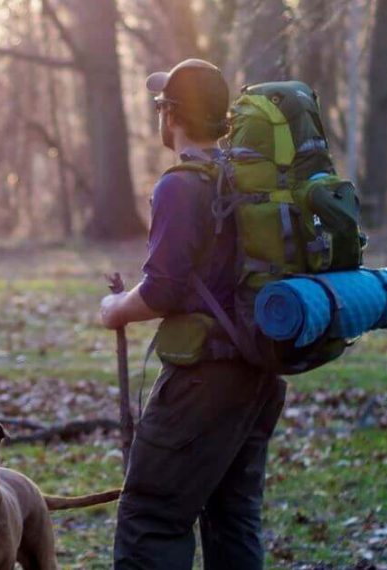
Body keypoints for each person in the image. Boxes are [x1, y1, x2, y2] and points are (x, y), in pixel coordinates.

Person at [98, 59, 287, 569]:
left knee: (151, 514)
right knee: (233, 517)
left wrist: (116, 309)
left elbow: (162, 290)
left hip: (205, 381)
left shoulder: (180, 186)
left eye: (161, 105)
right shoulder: (243, 177)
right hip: (260, 372)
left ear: (170, 114)